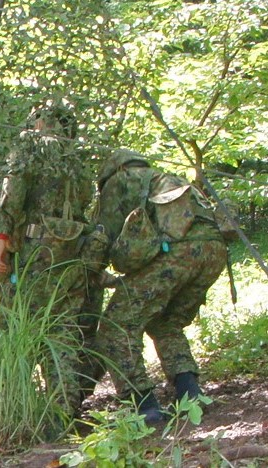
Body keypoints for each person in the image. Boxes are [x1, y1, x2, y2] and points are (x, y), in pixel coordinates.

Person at [92, 149, 228, 423]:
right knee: (165, 322)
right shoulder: (166, 178)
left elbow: (103, 233)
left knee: (115, 326)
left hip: (175, 253)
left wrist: (90, 269)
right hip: (214, 252)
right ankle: (189, 393)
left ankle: (145, 405)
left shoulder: (122, 180)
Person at [0, 101, 95, 422]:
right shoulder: (77, 159)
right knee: (61, 328)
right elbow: (86, 202)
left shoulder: (30, 147)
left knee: (13, 324)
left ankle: (8, 404)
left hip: (34, 253)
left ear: (37, 122)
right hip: (70, 253)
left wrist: (0, 242)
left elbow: (12, 193)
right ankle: (64, 409)